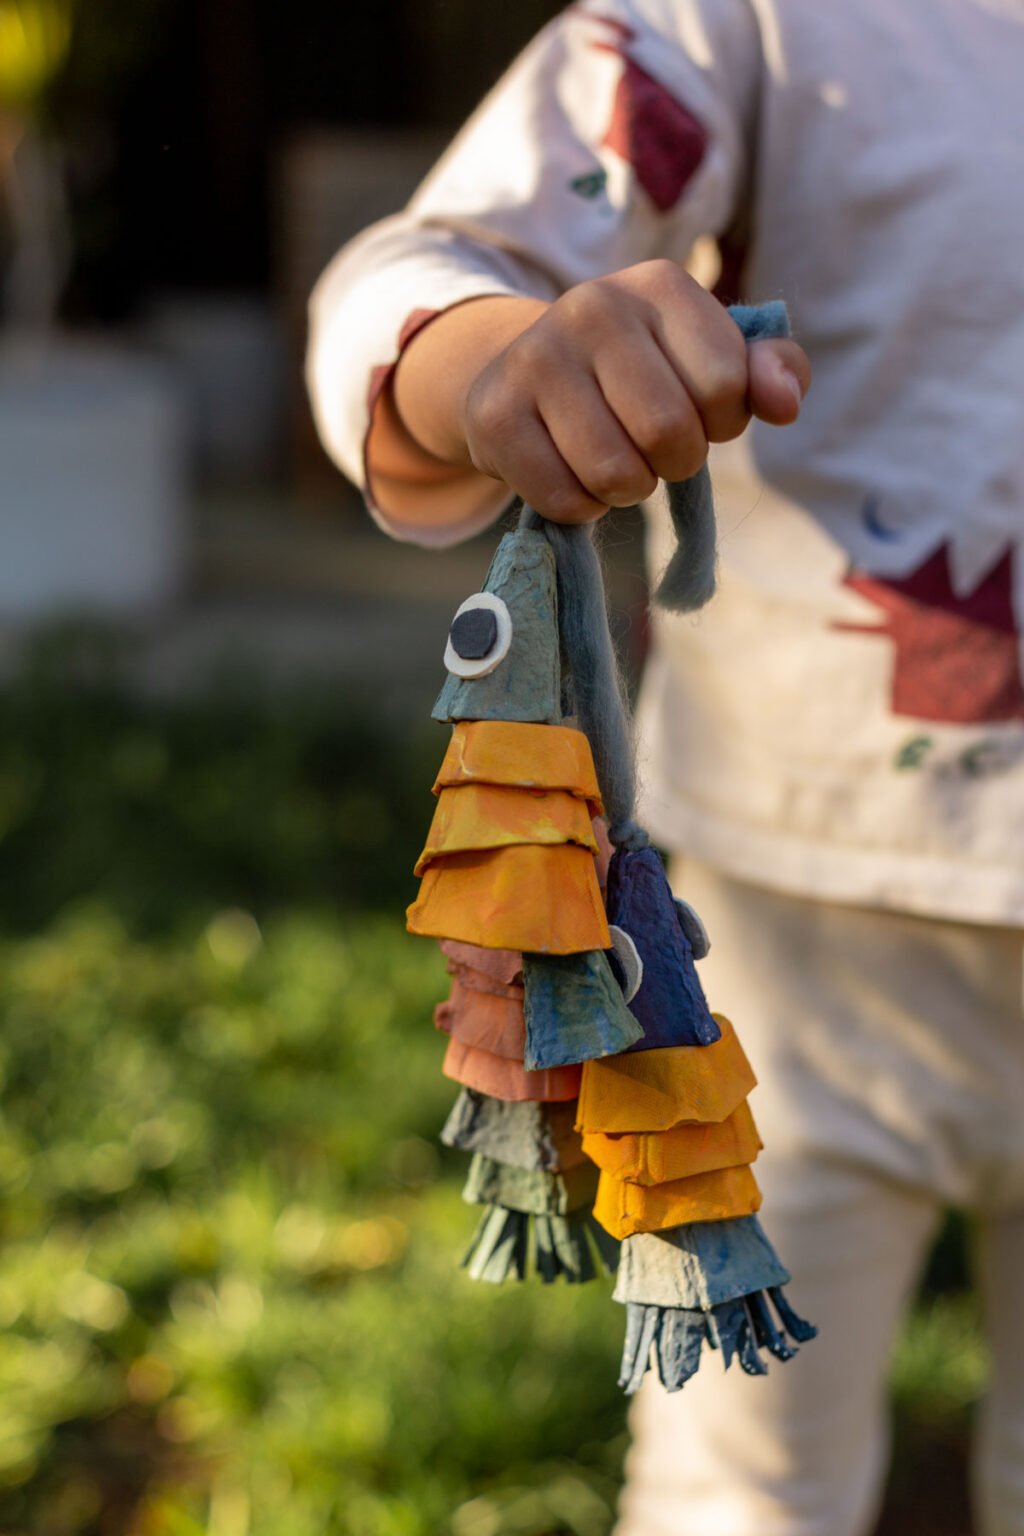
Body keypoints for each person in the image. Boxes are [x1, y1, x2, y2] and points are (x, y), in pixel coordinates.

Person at [305, 3, 1024, 1532]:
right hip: (789, 946)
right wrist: (507, 356)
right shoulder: (748, 22)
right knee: (743, 1488)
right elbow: (417, 273)